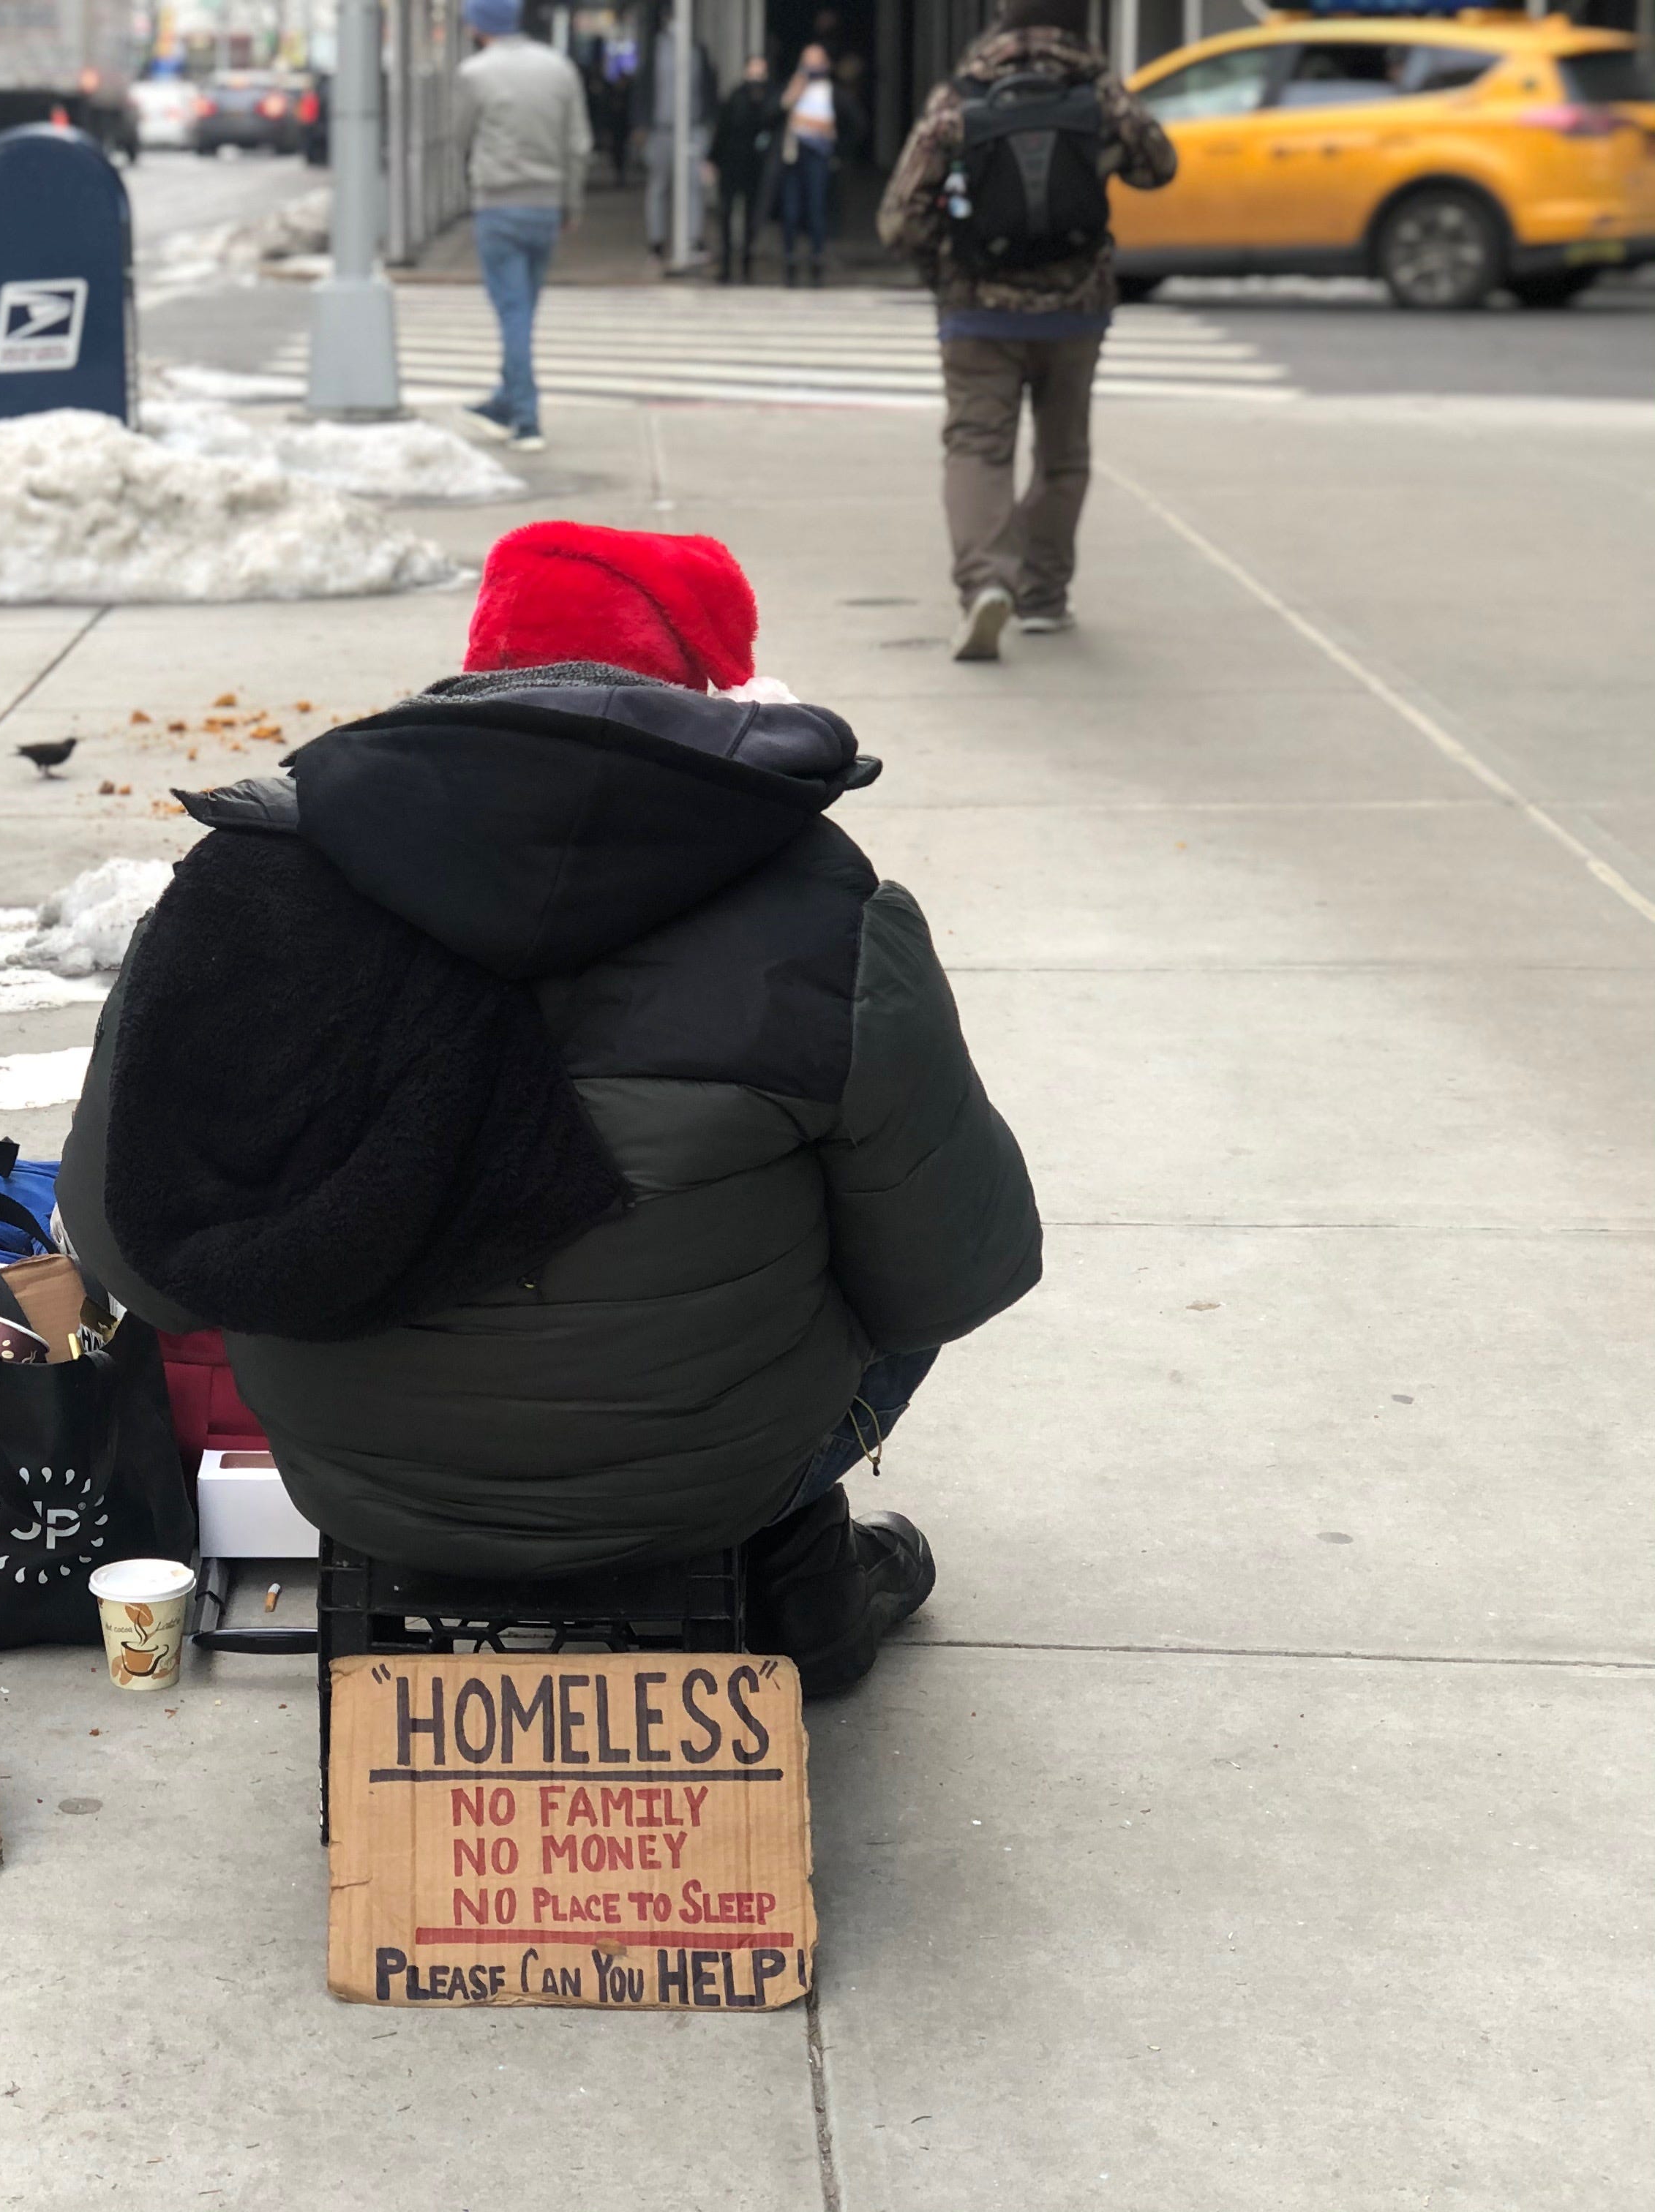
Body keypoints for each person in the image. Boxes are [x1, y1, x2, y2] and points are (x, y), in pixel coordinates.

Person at [58, 524, 1043, 1696]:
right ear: (702, 694)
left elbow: (136, 1258)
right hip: (710, 1484)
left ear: (480, 665)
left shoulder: (248, 886)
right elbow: (956, 1275)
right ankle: (800, 1570)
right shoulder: (826, 909)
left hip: (358, 1480)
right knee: (897, 1225)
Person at [878, 0, 1176, 661]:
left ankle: (986, 584)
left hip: (978, 311)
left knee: (978, 448)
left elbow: (899, 219)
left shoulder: (960, 99)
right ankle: (1043, 596)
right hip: (1076, 309)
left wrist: (947, 273)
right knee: (1063, 455)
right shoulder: (1098, 94)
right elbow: (1160, 166)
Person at [454, 0, 590, 454]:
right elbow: (578, 143)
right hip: (545, 206)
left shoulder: (475, 73)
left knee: (513, 311)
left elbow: (460, 137)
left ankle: (526, 420)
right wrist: (570, 203)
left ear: (479, 24)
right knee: (523, 309)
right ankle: (503, 401)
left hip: (499, 205)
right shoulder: (559, 68)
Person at [643, 32, 717, 269]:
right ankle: (656, 242)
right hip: (661, 129)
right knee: (659, 186)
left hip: (693, 128)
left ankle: (693, 239)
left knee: (694, 185)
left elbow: (708, 89)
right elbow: (644, 86)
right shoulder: (655, 49)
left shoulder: (698, 50)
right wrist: (641, 125)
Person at [776, 43, 844, 285]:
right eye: (807, 61)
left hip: (819, 155)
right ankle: (790, 258)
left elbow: (849, 122)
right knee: (791, 210)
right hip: (794, 155)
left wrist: (832, 138)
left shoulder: (831, 91)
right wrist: (794, 91)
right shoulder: (795, 86)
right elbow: (777, 110)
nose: (811, 66)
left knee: (816, 208)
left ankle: (817, 257)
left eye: (816, 61)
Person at [710, 54, 779, 285]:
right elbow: (722, 130)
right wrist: (713, 160)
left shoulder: (769, 98)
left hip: (754, 166)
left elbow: (771, 122)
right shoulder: (735, 97)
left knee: (751, 217)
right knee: (726, 214)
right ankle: (727, 265)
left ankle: (746, 265)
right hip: (731, 163)